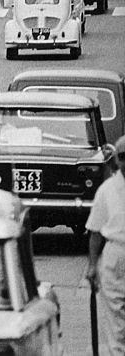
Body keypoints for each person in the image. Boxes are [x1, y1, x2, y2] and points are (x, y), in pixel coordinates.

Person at [87, 137, 125, 354]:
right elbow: (95, 231)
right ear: (116, 161)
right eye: (123, 157)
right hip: (116, 254)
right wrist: (92, 266)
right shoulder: (107, 190)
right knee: (116, 320)